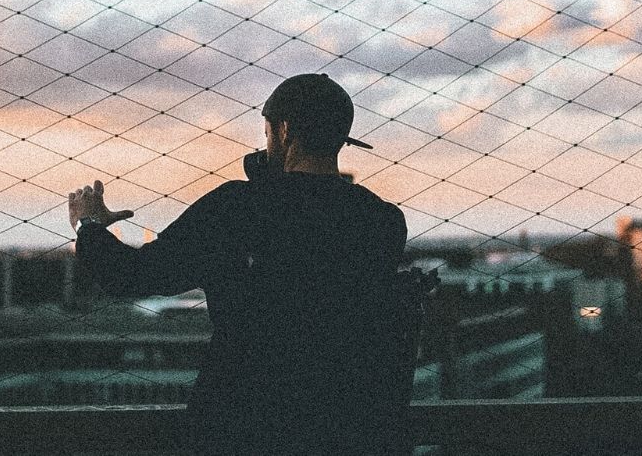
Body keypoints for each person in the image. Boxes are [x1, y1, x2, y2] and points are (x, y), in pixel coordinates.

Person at [69, 73, 411, 455]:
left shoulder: (236, 208)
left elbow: (129, 276)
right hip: (344, 428)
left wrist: (89, 226)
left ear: (283, 130)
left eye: (267, 132)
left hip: (240, 424)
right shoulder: (382, 221)